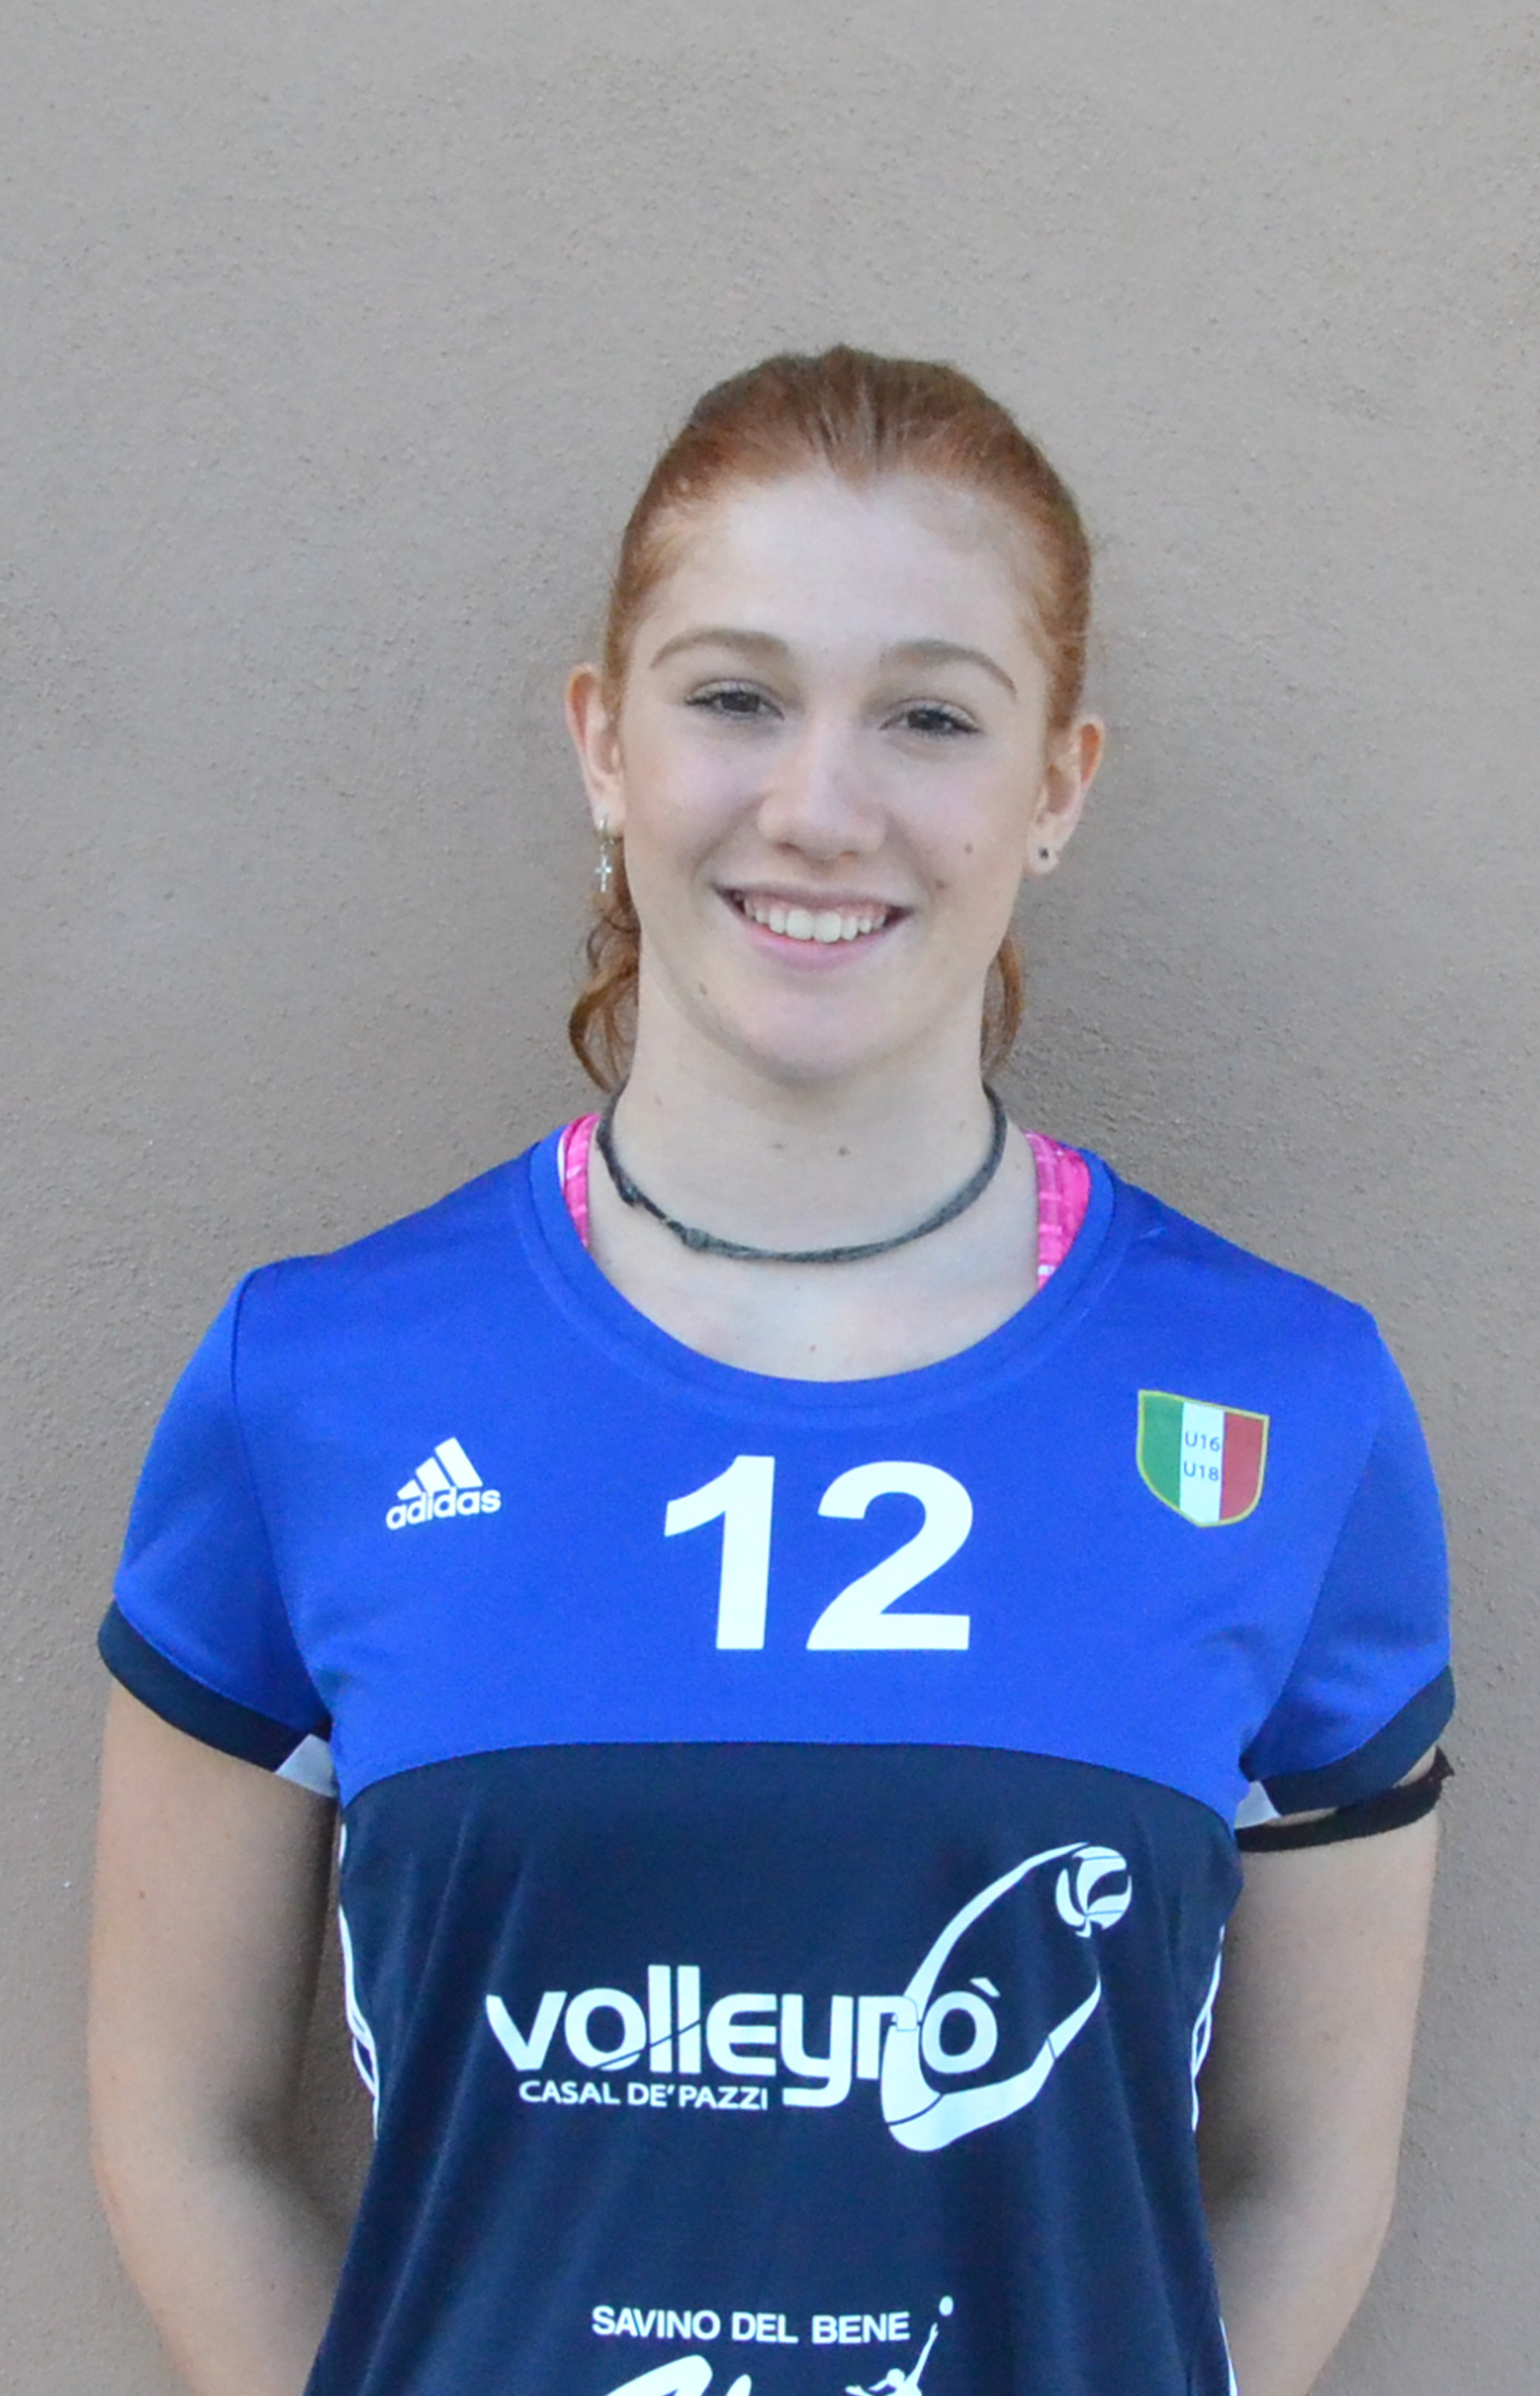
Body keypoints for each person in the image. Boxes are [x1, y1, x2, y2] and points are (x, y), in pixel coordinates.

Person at [88, 347, 1453, 2396]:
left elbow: (1303, 2171)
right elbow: (182, 2126)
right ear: (602, 741)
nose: (820, 805)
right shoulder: (318, 1382)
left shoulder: (1284, 1406)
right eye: (734, 696)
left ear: (1058, 785)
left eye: (931, 716)